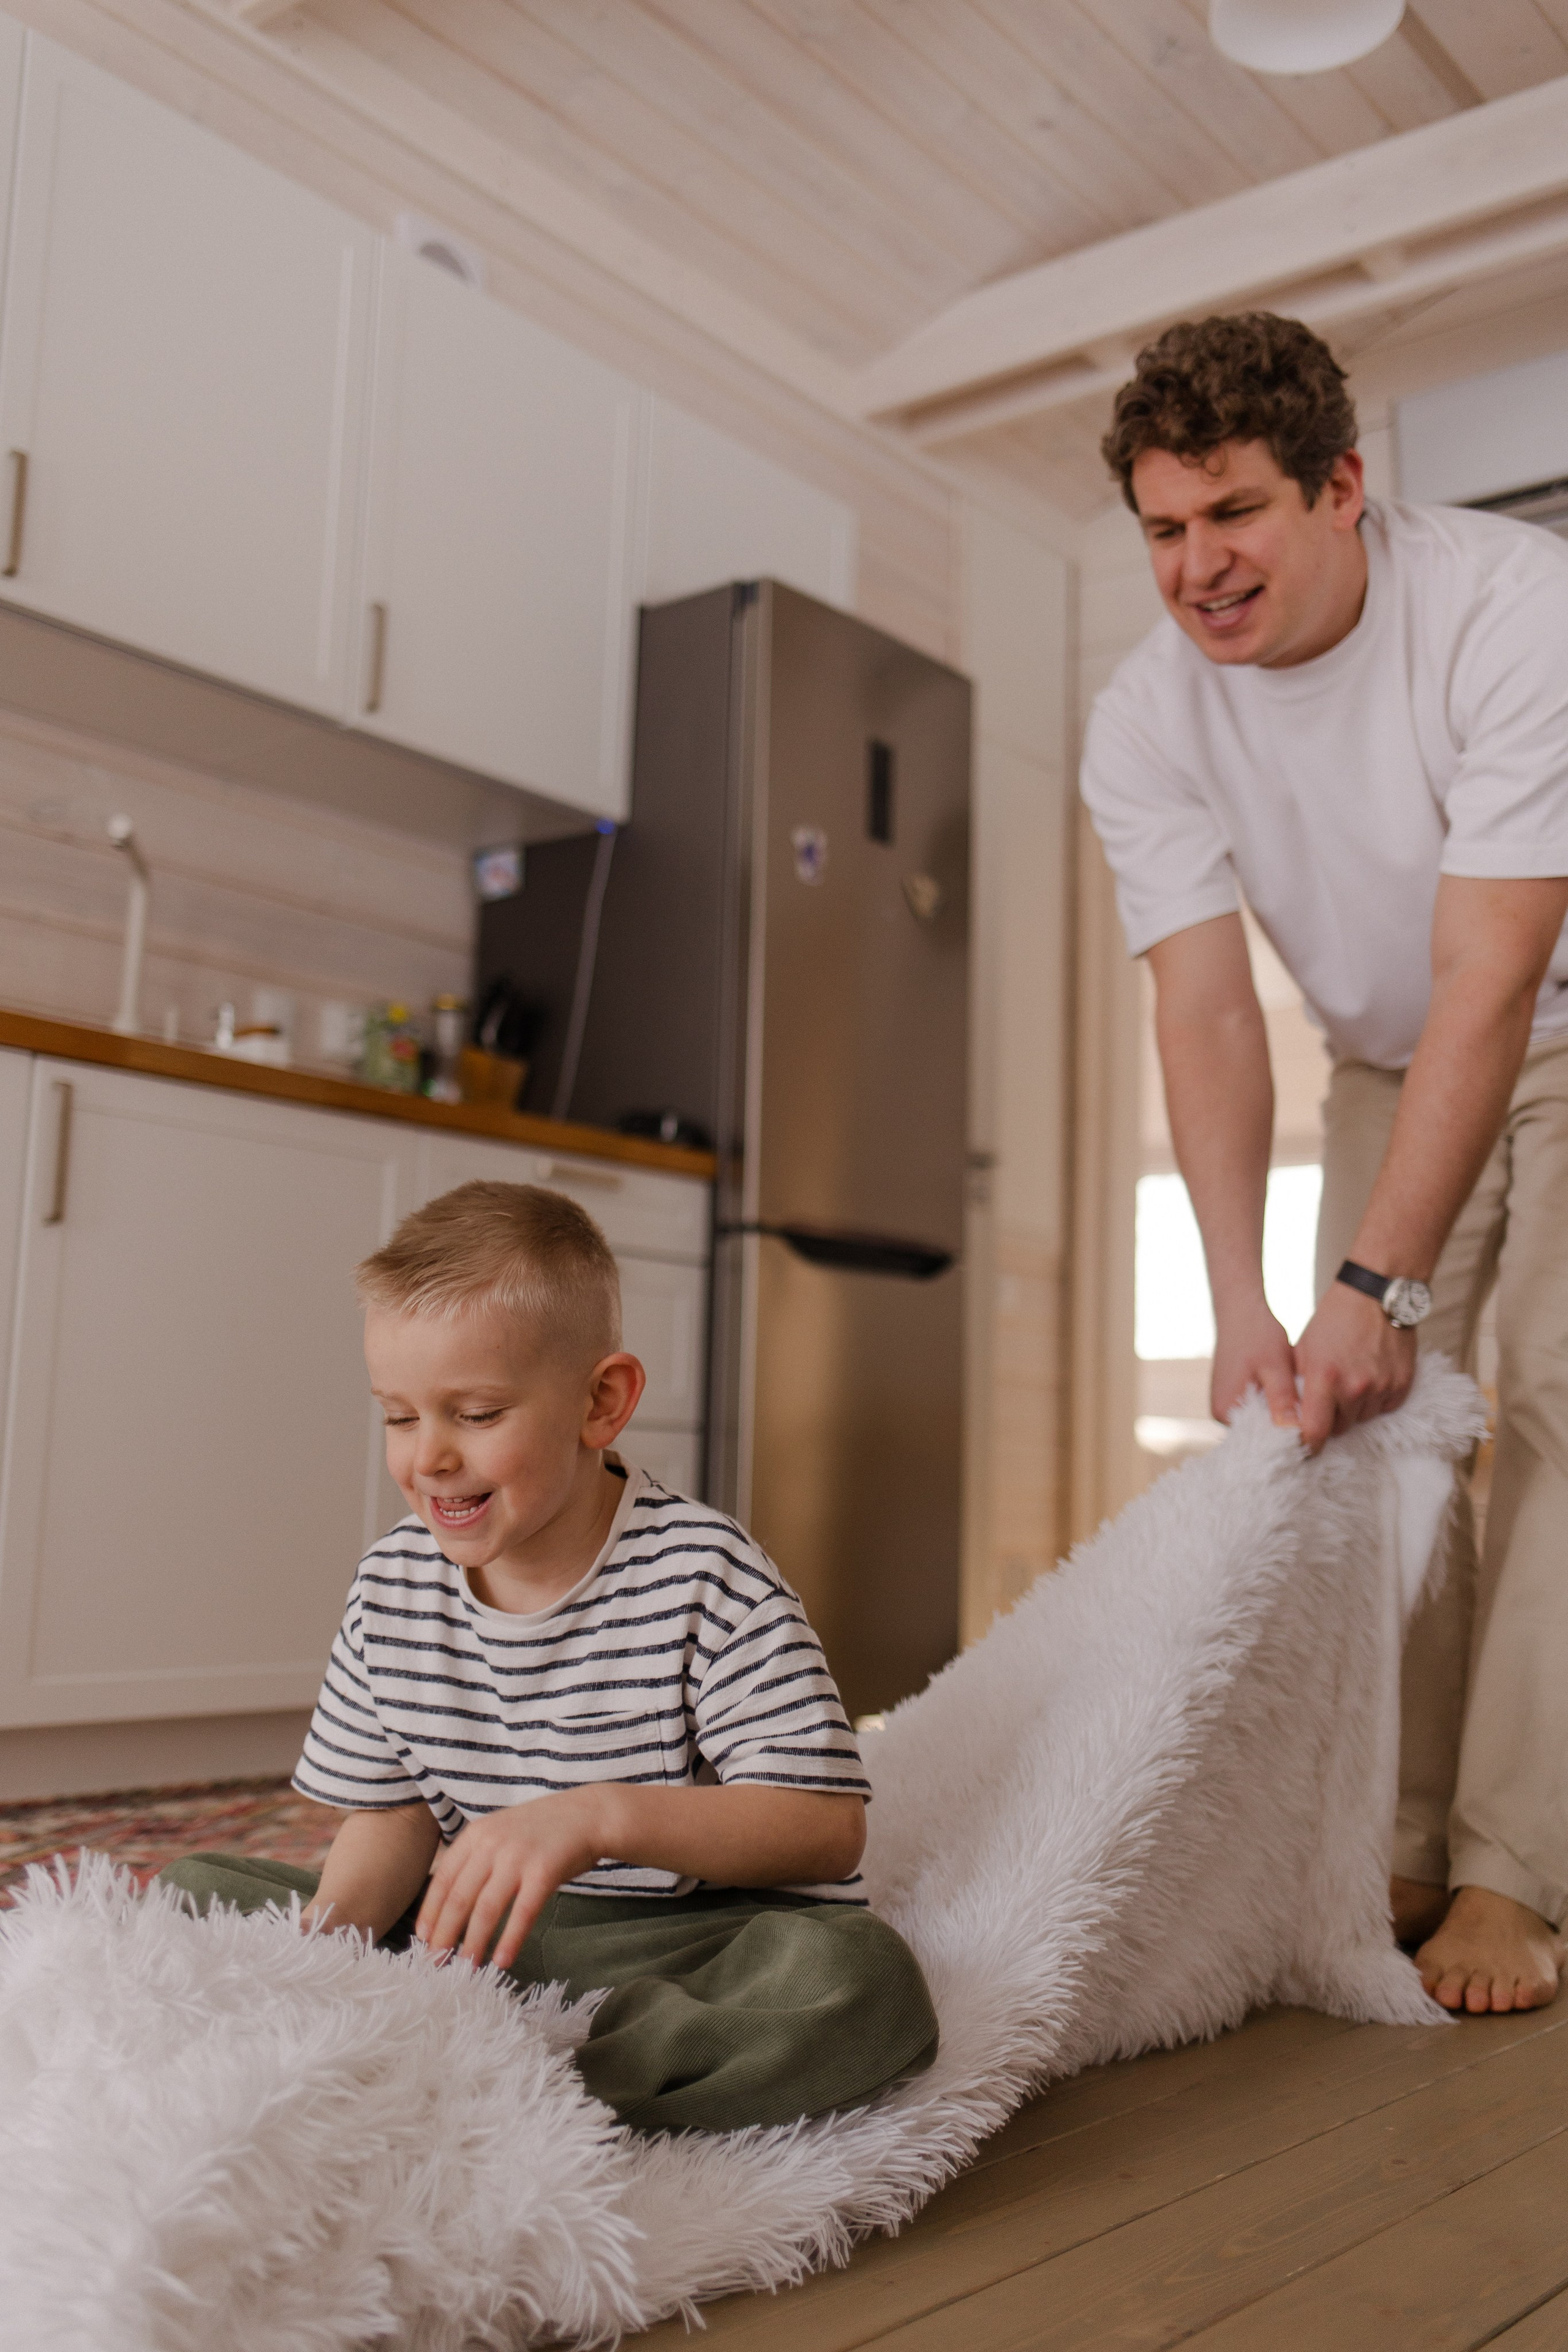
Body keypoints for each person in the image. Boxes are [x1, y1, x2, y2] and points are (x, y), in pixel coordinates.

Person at [1081, 312, 1568, 2017]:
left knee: (1553, 1394)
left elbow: (1492, 973)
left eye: (1234, 512)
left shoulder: (1513, 607)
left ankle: (1516, 1870)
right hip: (1384, 1051)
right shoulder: (1145, 717)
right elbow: (1209, 1012)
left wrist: (1379, 1276)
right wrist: (1247, 1302)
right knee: (1371, 1425)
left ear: (1341, 487)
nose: (1197, 566)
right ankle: (1409, 1837)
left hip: (1551, 1008)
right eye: (1163, 528)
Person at [162, 1180, 937, 2133]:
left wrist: (596, 1817)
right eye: (400, 1417)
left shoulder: (707, 1574)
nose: (429, 1458)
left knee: (862, 1981)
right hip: (473, 1929)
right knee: (193, 1894)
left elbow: (822, 1827)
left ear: (601, 1403)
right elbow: (396, 1814)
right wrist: (322, 1952)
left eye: (476, 1413)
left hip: (684, 1945)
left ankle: (550, 2102)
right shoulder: (392, 1582)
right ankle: (405, 2047)